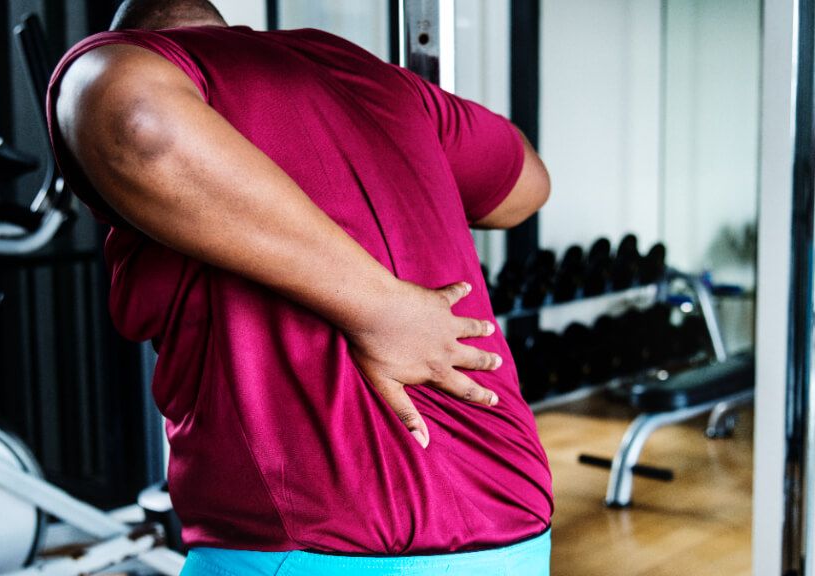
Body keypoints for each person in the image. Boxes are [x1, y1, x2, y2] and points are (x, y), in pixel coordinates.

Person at [47, 0, 554, 573]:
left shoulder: (132, 63)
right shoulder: (378, 79)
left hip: (318, 533)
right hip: (513, 516)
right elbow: (526, 188)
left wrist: (381, 309)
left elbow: (137, 126)